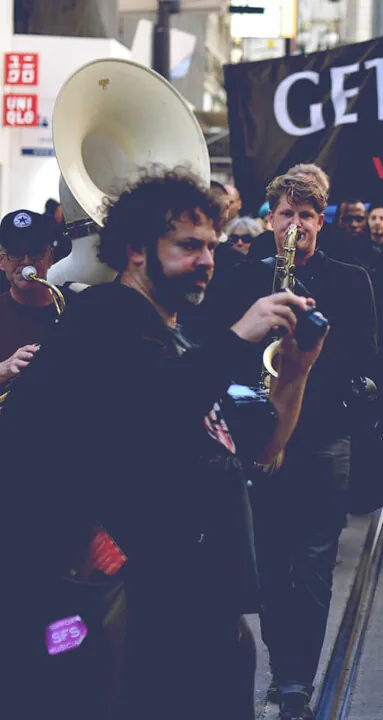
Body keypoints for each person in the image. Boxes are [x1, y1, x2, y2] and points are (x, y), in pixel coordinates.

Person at [2, 169, 325, 720]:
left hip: (201, 610)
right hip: (125, 614)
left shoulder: (179, 337)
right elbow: (151, 412)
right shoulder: (101, 321)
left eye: (211, 247)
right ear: (134, 251)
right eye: (188, 246)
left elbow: (263, 450)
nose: (206, 260)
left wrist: (295, 374)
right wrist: (237, 337)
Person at [197, 173, 378, 719]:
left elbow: (368, 360)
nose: (294, 225)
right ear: (270, 220)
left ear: (320, 222)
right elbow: (215, 356)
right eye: (285, 215)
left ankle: (298, 679)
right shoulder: (237, 280)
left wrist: (315, 341)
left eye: (305, 216)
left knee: (316, 563)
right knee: (273, 561)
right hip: (259, 439)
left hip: (325, 433)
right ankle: (285, 664)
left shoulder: (350, 280)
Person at [0, 210, 71, 388]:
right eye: (16, 253)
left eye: (35, 251)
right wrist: (5, 369)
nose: (26, 261)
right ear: (2, 262)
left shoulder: (76, 305)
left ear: (50, 258)